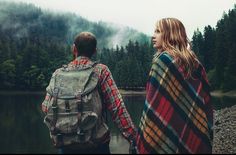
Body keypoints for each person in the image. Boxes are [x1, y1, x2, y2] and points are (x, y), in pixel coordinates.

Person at [41, 32, 137, 154]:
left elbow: (45, 107)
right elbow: (117, 108)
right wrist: (133, 137)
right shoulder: (101, 70)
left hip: (65, 145)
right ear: (95, 51)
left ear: (74, 48)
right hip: (96, 146)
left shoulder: (58, 73)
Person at [136, 18, 213, 154]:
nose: (153, 36)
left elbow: (153, 106)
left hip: (165, 135)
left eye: (158, 31)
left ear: (170, 34)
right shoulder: (196, 63)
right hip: (194, 133)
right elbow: (206, 102)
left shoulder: (162, 61)